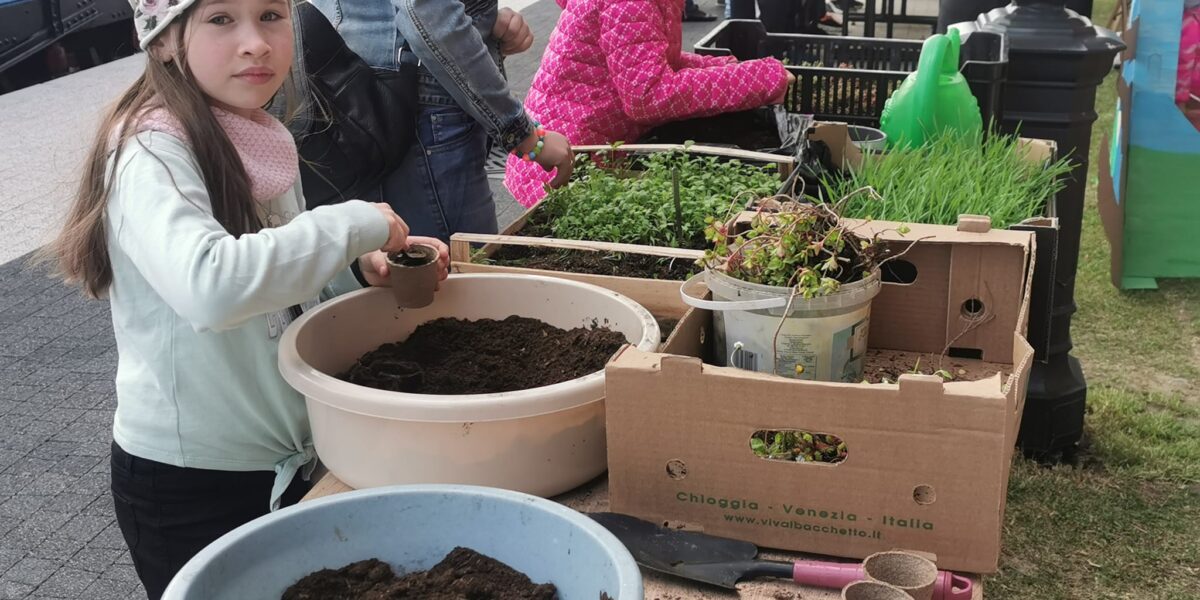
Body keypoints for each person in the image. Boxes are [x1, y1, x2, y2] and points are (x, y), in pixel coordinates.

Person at [40, 0, 448, 597]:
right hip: (192, 484)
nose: (255, 42)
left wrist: (359, 270)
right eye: (221, 20)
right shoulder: (149, 152)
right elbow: (212, 288)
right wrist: (349, 225)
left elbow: (282, 274)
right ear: (162, 42)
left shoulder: (251, 129)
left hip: (283, 462)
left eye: (271, 15)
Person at [310, 0, 575, 242]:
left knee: (407, 267)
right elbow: (427, 14)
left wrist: (478, 18)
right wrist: (527, 137)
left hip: (362, 90)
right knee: (463, 274)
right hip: (424, 105)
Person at [503, 0, 794, 207]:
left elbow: (656, 61)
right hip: (560, 160)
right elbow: (647, 96)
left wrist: (732, 69)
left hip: (578, 150)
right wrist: (759, 80)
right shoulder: (631, 3)